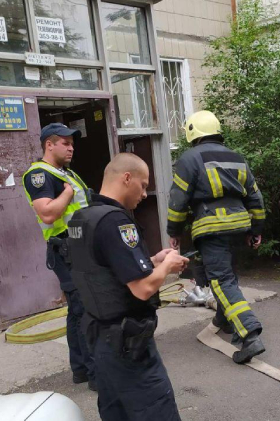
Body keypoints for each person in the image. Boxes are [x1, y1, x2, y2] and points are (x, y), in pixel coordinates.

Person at [68, 153, 189, 420]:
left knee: (116, 411)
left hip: (99, 335)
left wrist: (153, 261)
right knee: (156, 410)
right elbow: (143, 289)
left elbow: (105, 268)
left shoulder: (82, 218)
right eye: (143, 185)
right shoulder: (116, 221)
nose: (145, 194)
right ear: (126, 178)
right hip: (128, 341)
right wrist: (168, 266)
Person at [167, 110, 267, 364]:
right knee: (229, 277)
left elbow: (178, 200)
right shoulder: (237, 157)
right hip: (239, 226)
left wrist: (174, 231)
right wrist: (256, 229)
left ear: (192, 133)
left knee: (222, 281)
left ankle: (249, 334)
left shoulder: (189, 158)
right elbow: (255, 197)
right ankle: (224, 319)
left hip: (212, 227)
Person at [22, 122, 96, 389]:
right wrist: (66, 192)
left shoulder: (67, 173)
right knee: (85, 309)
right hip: (65, 250)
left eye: (72, 144)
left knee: (77, 311)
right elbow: (48, 213)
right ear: (49, 145)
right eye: (65, 143)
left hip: (79, 247)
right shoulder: (39, 175)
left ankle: (81, 370)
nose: (71, 148)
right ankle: (95, 374)